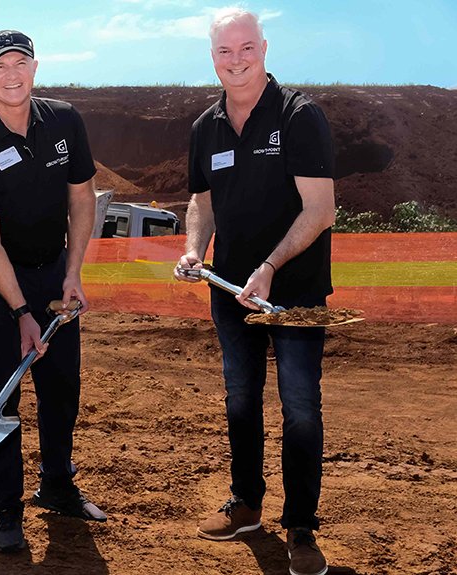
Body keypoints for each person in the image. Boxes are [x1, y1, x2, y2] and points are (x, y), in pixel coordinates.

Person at [173, 9, 335, 575]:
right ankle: (245, 503)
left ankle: (301, 528)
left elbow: (320, 209)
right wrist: (196, 247)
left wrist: (268, 266)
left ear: (263, 48)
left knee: (299, 408)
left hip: (294, 292)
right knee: (240, 398)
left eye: (245, 48)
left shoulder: (298, 116)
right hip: (229, 291)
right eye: (224, 51)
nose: (235, 60)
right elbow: (202, 201)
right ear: (211, 57)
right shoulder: (205, 128)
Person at [0, 30, 107, 553]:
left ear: (35, 68)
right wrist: (20, 312)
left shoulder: (64, 120)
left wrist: (73, 272)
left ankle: (58, 486)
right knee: (2, 394)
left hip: (53, 270)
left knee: (62, 386)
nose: (11, 74)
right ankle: (7, 511)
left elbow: (82, 198)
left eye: (20, 63)